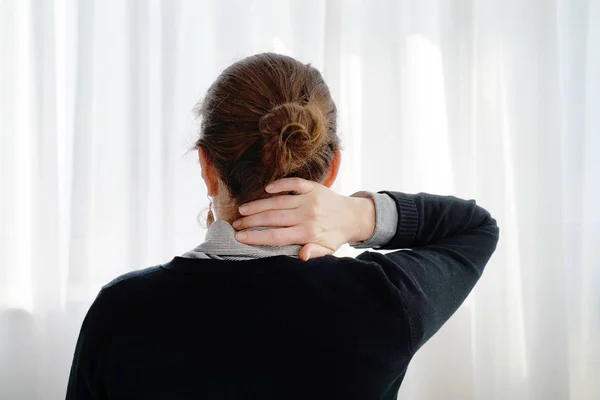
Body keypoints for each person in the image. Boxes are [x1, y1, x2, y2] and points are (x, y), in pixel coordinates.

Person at [66, 53, 499, 400]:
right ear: (332, 171)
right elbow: (475, 228)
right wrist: (357, 216)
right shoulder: (383, 301)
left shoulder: (120, 312)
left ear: (206, 165)